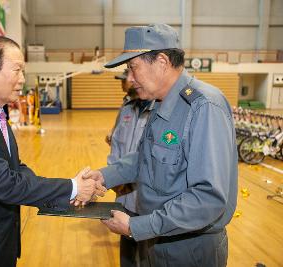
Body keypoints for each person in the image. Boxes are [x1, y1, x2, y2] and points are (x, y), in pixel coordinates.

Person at [0, 36, 105, 267]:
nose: (22, 79)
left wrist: (71, 192)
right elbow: (5, 183)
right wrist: (72, 187)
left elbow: (15, 168)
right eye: (17, 70)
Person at [84, 23, 238, 266]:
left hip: (189, 249)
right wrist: (102, 177)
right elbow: (143, 157)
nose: (130, 79)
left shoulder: (204, 106)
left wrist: (137, 226)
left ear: (163, 62)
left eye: (133, 68)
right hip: (155, 239)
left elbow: (208, 198)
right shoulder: (160, 103)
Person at [107, 69, 153, 267]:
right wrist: (114, 179)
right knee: (127, 257)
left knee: (147, 257)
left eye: (125, 78)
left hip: (148, 204)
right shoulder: (126, 109)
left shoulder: (160, 110)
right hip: (124, 199)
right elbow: (116, 145)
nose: (124, 82)